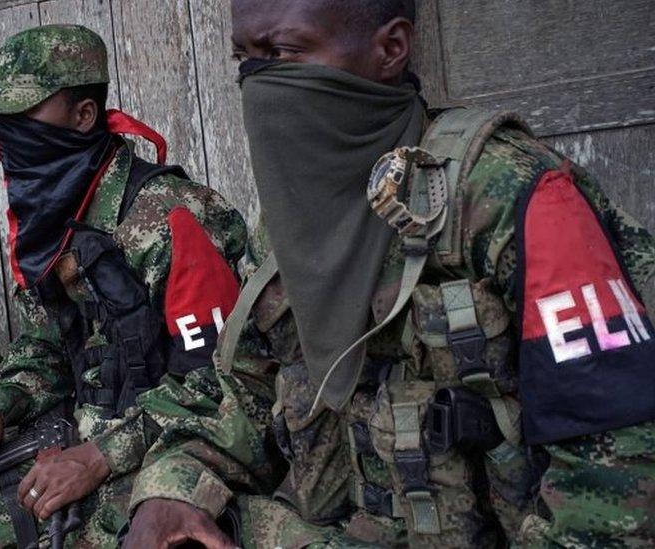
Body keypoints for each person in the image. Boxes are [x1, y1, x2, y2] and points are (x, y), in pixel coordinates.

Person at [125, 0, 655, 547]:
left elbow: (618, 466)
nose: (261, 85)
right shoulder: (288, 222)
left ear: (390, 50)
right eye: (246, 58)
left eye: (284, 52)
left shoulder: (506, 194)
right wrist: (172, 489)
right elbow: (245, 393)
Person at [0, 24, 248, 549]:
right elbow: (45, 342)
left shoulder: (169, 217)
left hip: (173, 445)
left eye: (23, 116)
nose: (4, 133)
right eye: (1, 119)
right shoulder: (53, 215)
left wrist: (100, 456)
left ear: (84, 115)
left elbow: (225, 382)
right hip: (80, 428)